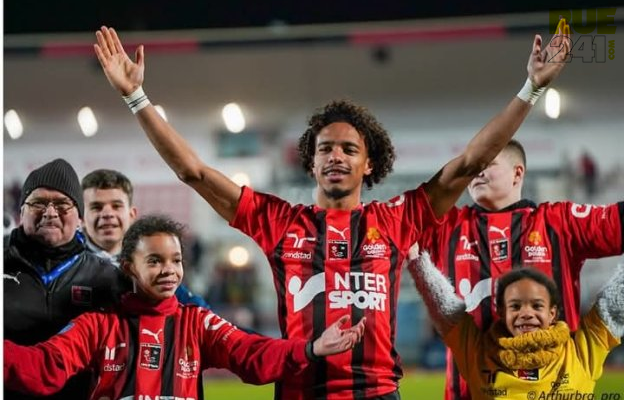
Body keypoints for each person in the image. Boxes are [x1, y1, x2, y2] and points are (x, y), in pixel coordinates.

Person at [93, 19, 571, 400]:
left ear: (369, 164)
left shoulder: (396, 219)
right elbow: (194, 172)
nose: (335, 156)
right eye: (324, 149)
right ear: (311, 161)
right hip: (302, 391)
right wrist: (136, 97)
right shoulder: (280, 222)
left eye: (348, 149)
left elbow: (469, 163)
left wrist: (530, 89)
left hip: (377, 393)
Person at [4, 214, 366, 399]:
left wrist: (311, 348)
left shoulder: (197, 322)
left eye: (175, 260)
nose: (169, 271)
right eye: (155, 261)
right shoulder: (99, 325)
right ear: (128, 268)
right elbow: (43, 368)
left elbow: (251, 353)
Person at [419, 138, 624, 399]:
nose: (476, 172)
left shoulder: (559, 222)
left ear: (518, 173)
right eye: (472, 166)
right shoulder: (445, 228)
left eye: (486, 163)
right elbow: (390, 227)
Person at [407, 248, 623, 399]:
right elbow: (446, 310)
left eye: (537, 306)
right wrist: (416, 261)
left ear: (552, 313)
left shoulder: (581, 352)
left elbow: (614, 305)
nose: (526, 313)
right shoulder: (478, 353)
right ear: (502, 312)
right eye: (516, 306)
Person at [3, 158, 130, 400]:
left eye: (62, 204)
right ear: (21, 212)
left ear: (80, 218)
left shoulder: (109, 278)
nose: (50, 213)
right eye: (38, 203)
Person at [82, 168, 209, 307]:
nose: (107, 214)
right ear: (80, 217)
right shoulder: (67, 265)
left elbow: (197, 309)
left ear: (132, 214)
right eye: (96, 207)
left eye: (116, 206)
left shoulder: (152, 265)